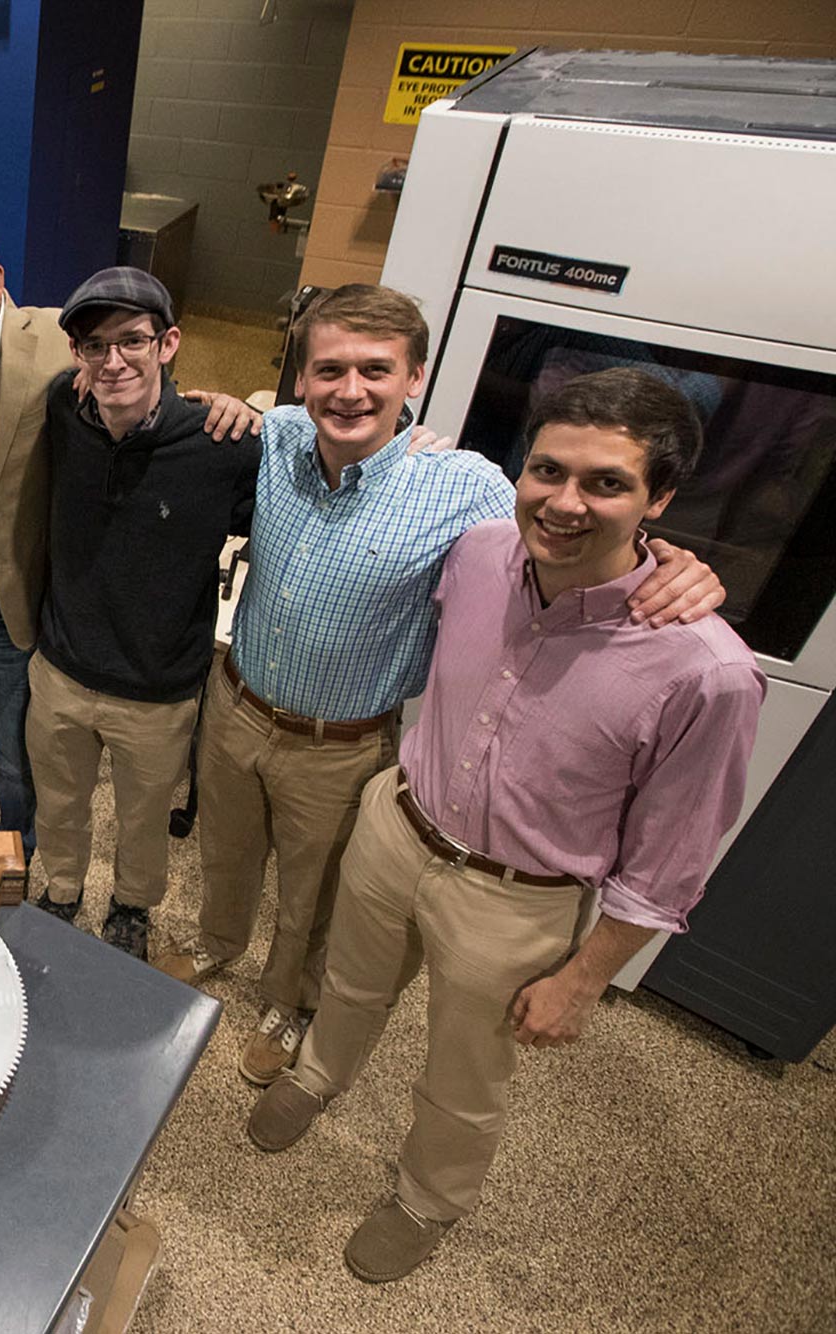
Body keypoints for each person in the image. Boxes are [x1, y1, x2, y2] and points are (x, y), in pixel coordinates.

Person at [245, 368, 763, 1283]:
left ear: (661, 499)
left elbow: (671, 862)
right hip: (396, 828)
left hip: (515, 900)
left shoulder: (704, 671)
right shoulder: (480, 550)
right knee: (351, 985)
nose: (565, 502)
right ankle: (319, 1076)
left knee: (464, 1068)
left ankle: (428, 1195)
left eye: (607, 483)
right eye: (548, 471)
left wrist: (585, 981)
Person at [162, 286, 724, 1088]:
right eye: (328, 369)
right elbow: (220, 415)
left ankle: (288, 1002)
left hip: (339, 744)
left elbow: (571, 528)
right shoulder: (279, 436)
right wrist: (218, 399)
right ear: (301, 377)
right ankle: (218, 942)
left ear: (415, 378)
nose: (348, 390)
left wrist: (677, 562)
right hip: (236, 703)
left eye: (374, 370)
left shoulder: (468, 489)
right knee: (227, 852)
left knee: (313, 892)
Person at [0, 217, 260, 851]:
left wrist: (227, 406)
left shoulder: (53, 337)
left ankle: (16, 841)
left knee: (16, 745)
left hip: (5, 599)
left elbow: (132, 360)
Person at [26, 267, 260, 964]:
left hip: (157, 689)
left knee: (144, 815)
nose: (114, 360)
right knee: (58, 801)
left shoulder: (224, 444)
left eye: (132, 341)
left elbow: (314, 470)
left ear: (169, 343)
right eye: (95, 346)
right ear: (77, 356)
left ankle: (131, 905)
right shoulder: (62, 411)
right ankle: (62, 888)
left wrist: (407, 428)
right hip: (63, 668)